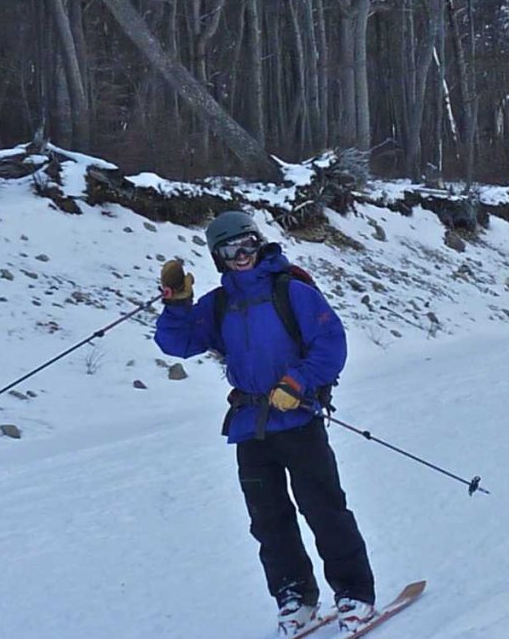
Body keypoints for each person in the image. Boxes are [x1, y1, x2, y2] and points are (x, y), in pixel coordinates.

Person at [155, 210, 376, 637]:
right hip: (249, 425)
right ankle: (295, 597)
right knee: (268, 520)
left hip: (298, 419)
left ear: (259, 243)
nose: (242, 255)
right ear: (218, 257)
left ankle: (354, 593)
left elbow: (331, 343)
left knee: (324, 509)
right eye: (230, 249)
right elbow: (177, 343)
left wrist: (299, 381)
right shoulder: (218, 304)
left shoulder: (291, 291)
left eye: (248, 244)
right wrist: (178, 304)